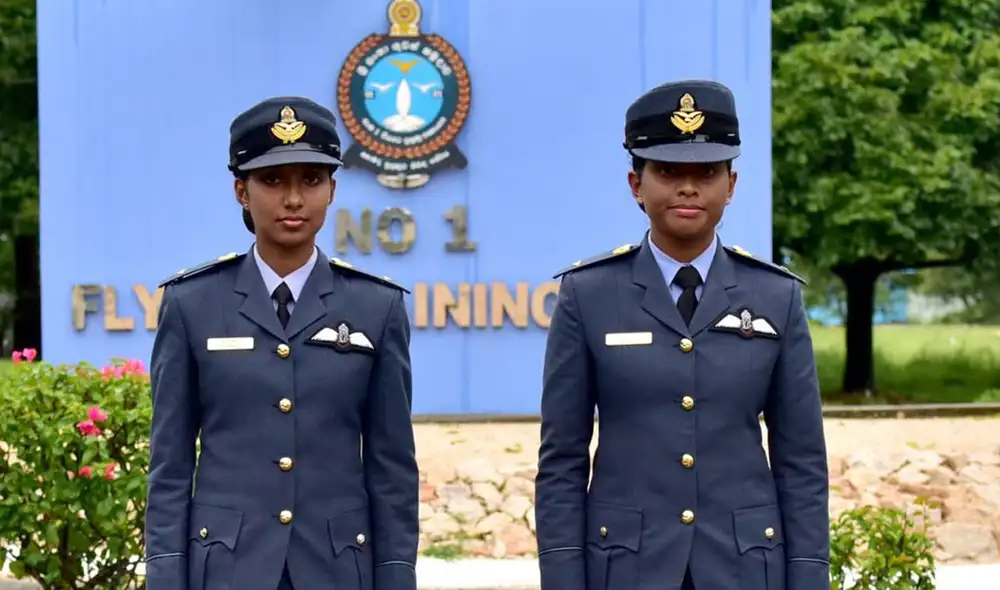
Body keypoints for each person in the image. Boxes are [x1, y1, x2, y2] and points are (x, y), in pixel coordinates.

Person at [534, 80, 830, 590]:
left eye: (707, 173)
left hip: (745, 567)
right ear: (635, 184)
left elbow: (801, 460)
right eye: (669, 171)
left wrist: (807, 578)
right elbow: (561, 460)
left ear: (732, 185)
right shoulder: (588, 295)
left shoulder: (774, 297)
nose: (688, 188)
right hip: (626, 567)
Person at [144, 96, 419, 590]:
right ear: (240, 192)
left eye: (310, 180)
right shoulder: (192, 305)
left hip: (337, 569)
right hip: (227, 569)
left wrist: (396, 577)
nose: (293, 199)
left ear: (332, 190)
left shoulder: (376, 308)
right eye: (273, 181)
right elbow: (170, 465)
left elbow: (392, 469)